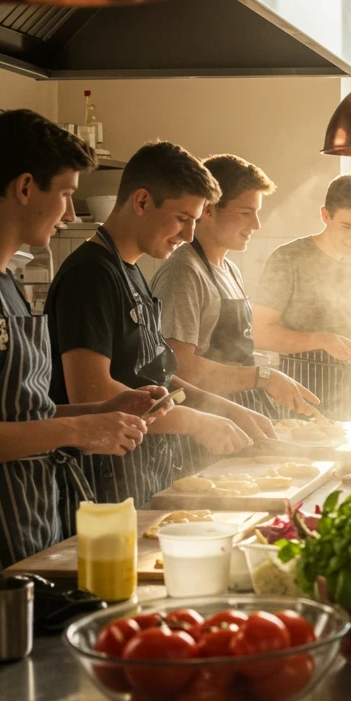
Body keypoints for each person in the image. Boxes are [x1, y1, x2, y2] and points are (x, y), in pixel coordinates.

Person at [0, 109, 170, 602]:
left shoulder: (3, 281)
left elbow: (19, 413)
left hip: (27, 519)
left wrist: (102, 411)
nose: (69, 213)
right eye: (65, 193)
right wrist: (78, 431)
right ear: (25, 188)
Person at [47, 141, 272, 505]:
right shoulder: (90, 275)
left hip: (143, 472)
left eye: (194, 222)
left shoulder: (130, 271)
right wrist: (195, 422)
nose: (187, 235)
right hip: (103, 484)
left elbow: (157, 378)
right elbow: (92, 394)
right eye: (182, 219)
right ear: (141, 202)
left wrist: (224, 408)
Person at [151, 154, 320, 418]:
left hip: (240, 414)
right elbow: (179, 369)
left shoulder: (230, 270)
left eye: (257, 213)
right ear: (208, 210)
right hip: (205, 427)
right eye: (245, 213)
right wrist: (263, 377)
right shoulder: (184, 273)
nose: (256, 225)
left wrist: (267, 374)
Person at [252, 173, 351, 420]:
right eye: (347, 226)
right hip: (294, 392)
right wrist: (322, 340)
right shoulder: (288, 259)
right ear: (325, 215)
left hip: (349, 397)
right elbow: (258, 332)